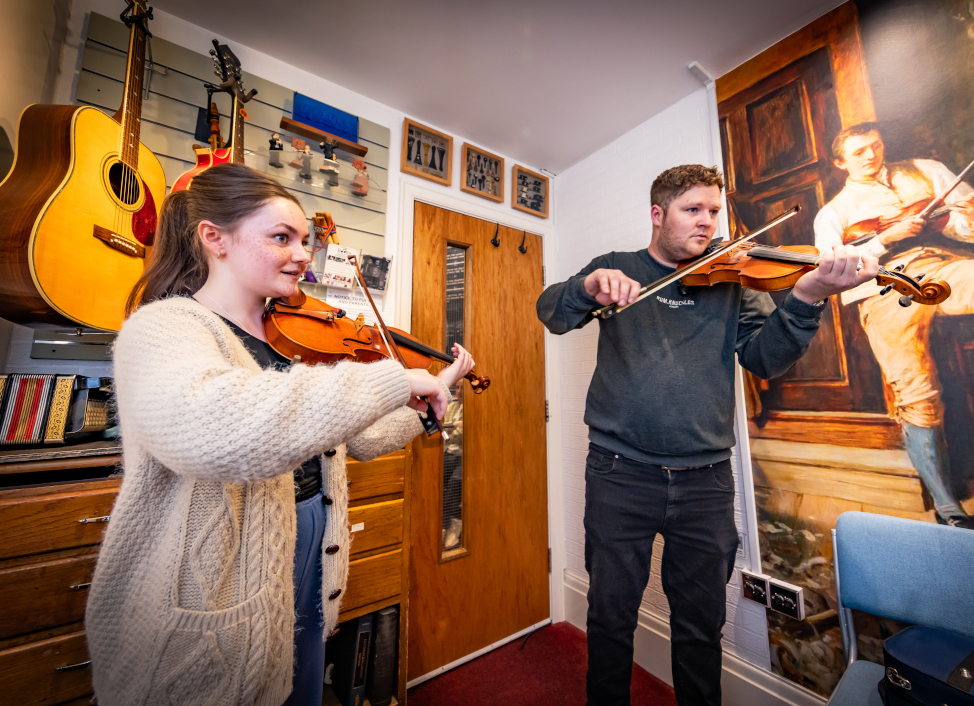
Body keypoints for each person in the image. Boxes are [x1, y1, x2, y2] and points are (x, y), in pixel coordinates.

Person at [85, 163, 474, 706]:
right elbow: (217, 428)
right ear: (215, 238)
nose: (303, 254)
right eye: (282, 238)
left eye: (305, 240)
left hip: (310, 539)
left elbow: (358, 439)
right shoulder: (162, 328)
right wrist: (392, 379)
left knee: (298, 685)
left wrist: (434, 398)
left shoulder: (289, 338)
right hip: (213, 583)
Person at [537, 164, 876, 706]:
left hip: (706, 482)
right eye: (692, 209)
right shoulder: (618, 267)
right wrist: (586, 288)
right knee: (610, 617)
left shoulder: (734, 278)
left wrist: (808, 296)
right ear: (658, 214)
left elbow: (765, 358)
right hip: (619, 475)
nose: (707, 222)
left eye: (713, 211)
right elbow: (552, 312)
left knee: (700, 627)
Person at [813, 122, 974, 529]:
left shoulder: (926, 170)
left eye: (875, 146)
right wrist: (885, 239)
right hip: (882, 290)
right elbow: (832, 271)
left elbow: (966, 228)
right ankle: (948, 509)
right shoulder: (833, 213)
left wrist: (961, 220)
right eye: (859, 152)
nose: (871, 155)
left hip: (939, 267)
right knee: (914, 388)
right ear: (840, 162)